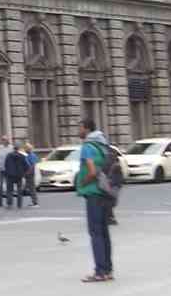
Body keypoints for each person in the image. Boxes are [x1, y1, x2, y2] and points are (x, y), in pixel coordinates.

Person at [76, 119, 114, 283]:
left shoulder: (87, 147)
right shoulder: (102, 145)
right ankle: (108, 270)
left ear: (86, 129)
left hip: (93, 193)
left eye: (80, 127)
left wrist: (83, 182)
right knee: (104, 232)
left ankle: (99, 271)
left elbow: (91, 171)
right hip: (105, 192)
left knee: (95, 233)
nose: (78, 130)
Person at [3, 141, 28, 209]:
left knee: (9, 190)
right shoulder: (22, 156)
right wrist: (23, 173)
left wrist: (6, 172)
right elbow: (26, 166)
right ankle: (19, 204)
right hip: (19, 175)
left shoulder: (8, 155)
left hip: (10, 175)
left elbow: (5, 165)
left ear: (13, 148)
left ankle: (9, 204)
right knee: (19, 190)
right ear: (19, 148)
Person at [0, 135, 12, 209]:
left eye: (5, 139)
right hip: (0, 169)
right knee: (0, 186)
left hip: (8, 170)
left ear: (8, 140)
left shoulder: (11, 148)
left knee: (8, 186)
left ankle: (9, 202)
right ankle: (0, 202)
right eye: (2, 139)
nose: (3, 141)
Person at [23, 142, 40, 207]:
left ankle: (35, 202)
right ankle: (34, 202)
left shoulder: (31, 155)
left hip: (30, 173)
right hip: (29, 173)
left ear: (28, 149)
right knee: (30, 188)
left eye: (25, 148)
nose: (25, 150)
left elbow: (32, 165)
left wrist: (28, 172)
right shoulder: (29, 155)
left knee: (32, 188)